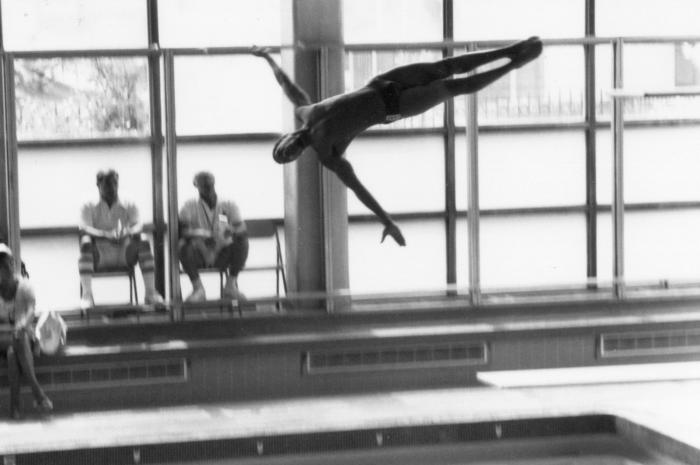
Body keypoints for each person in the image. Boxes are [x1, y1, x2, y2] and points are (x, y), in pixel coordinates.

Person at [252, 37, 543, 246]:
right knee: (452, 86)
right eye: (288, 157)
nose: (290, 152)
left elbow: (286, 84)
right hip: (396, 107)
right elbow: (357, 189)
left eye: (283, 150)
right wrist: (386, 221)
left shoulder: (304, 110)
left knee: (444, 66)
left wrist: (267, 58)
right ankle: (512, 66)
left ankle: (511, 50)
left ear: (284, 139)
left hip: (382, 83)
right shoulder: (327, 153)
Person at [78, 169, 165, 309]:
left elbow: (138, 225)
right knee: (85, 243)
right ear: (98, 185)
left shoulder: (129, 202)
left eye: (114, 184)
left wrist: (126, 233)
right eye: (107, 185)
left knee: (143, 240)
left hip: (124, 253)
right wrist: (106, 235)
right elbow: (84, 229)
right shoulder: (87, 204)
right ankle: (87, 296)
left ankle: (150, 293)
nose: (111, 188)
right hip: (99, 256)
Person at [0, 244, 53, 419]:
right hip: (2, 337)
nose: (3, 268)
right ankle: (38, 394)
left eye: (5, 263)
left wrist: (22, 324)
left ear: (12, 263)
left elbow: (31, 310)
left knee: (12, 355)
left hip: (22, 337)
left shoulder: (25, 286)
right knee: (12, 343)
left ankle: (14, 407)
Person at [179, 171, 249, 302]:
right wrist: (202, 234)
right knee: (183, 245)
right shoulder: (189, 205)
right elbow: (184, 231)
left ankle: (230, 286)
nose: (207, 187)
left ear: (214, 183)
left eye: (209, 183)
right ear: (196, 186)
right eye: (203, 184)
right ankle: (198, 289)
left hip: (222, 251)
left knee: (242, 241)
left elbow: (242, 228)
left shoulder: (228, 203)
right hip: (200, 252)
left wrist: (230, 230)